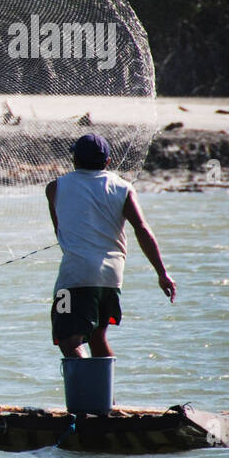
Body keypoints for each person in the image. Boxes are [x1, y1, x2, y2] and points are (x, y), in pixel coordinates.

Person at [46, 134, 176, 359]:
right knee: (97, 336)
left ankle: (91, 391)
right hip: (111, 277)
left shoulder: (55, 188)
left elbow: (61, 234)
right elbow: (142, 229)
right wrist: (162, 273)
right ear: (107, 162)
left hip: (76, 277)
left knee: (68, 339)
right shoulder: (123, 188)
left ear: (74, 159)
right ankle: (107, 395)